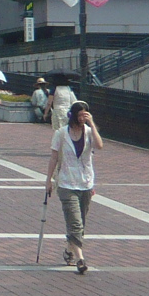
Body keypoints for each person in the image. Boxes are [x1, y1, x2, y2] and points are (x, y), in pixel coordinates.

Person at [46, 101, 104, 274]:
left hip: (85, 183)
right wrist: (48, 180)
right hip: (66, 183)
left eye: (85, 115)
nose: (82, 119)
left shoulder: (88, 132)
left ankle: (69, 250)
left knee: (80, 224)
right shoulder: (61, 133)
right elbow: (54, 158)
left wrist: (92, 124)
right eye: (79, 115)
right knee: (76, 222)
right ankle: (80, 259)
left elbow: (100, 146)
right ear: (72, 115)